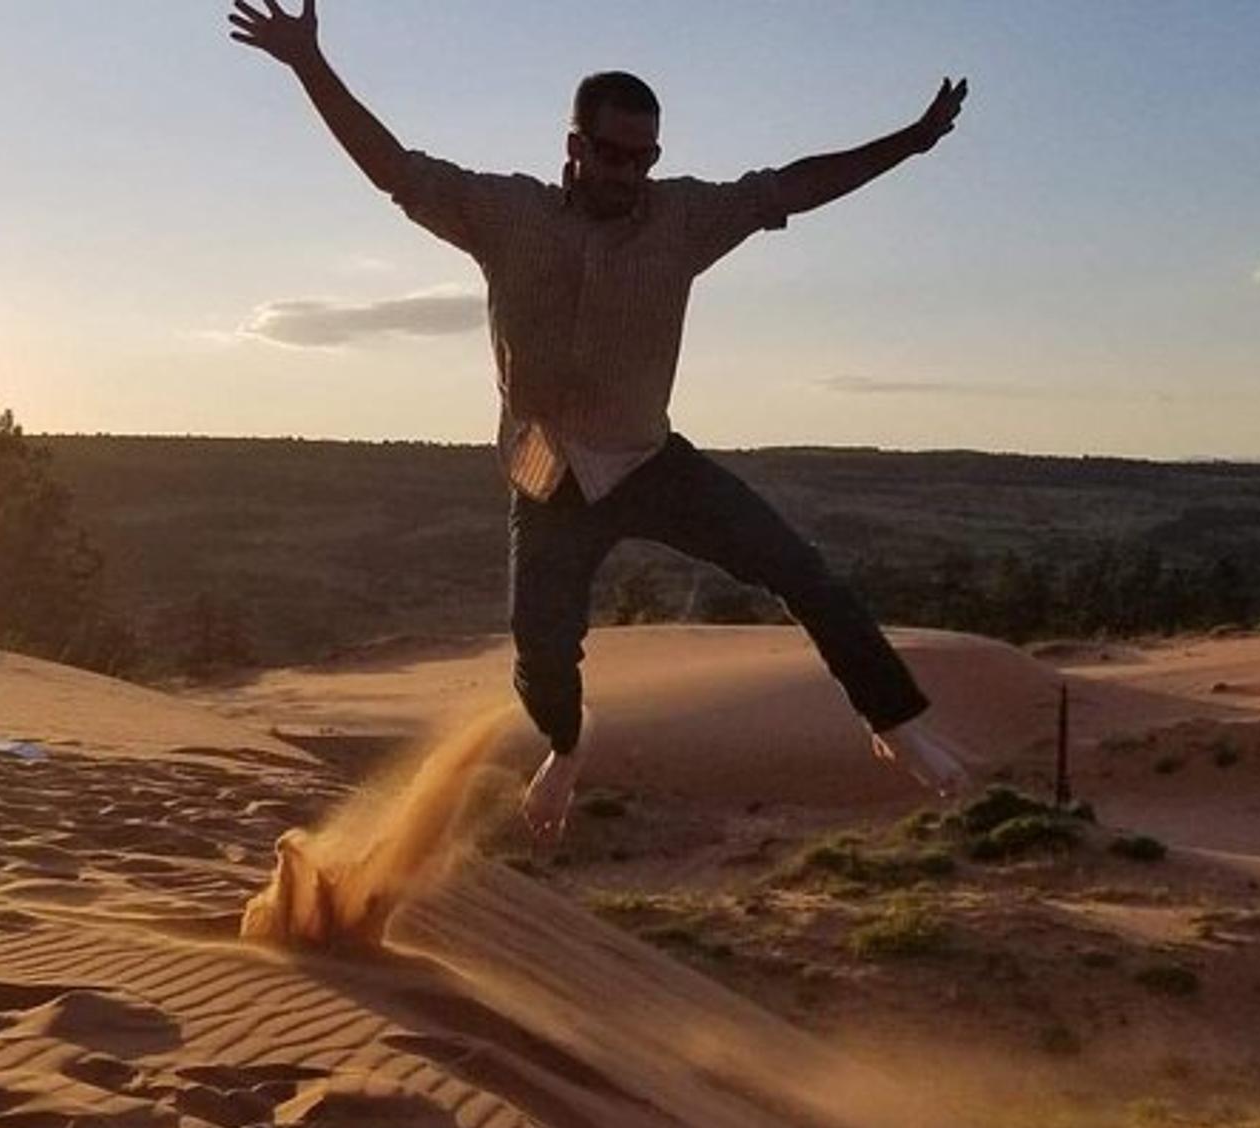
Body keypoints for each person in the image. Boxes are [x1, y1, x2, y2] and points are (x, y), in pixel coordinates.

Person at [230, 0, 974, 841]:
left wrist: (908, 143)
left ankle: (894, 723)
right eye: (614, 155)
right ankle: (569, 748)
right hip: (548, 473)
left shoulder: (683, 220)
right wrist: (308, 65)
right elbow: (393, 167)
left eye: (645, 157)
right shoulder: (505, 215)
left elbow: (794, 183)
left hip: (651, 463)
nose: (630, 173)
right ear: (575, 146)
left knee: (805, 574)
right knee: (541, 654)